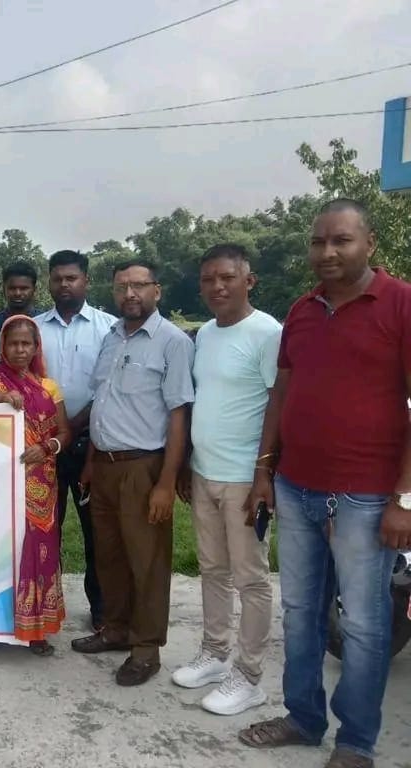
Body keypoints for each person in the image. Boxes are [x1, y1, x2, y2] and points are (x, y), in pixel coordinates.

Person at [239, 199, 411, 768]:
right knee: (300, 611)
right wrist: (265, 470)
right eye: (319, 242)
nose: (328, 252)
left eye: (341, 240)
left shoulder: (402, 304)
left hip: (367, 496)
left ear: (370, 244)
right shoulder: (303, 309)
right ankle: (304, 718)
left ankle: (356, 743)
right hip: (296, 488)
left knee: (362, 624)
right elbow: (282, 394)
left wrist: (404, 500)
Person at [71, 259, 194, 687]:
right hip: (104, 466)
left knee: (147, 562)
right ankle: (116, 629)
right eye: (122, 286)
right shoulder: (111, 337)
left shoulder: (172, 342)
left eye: (139, 285)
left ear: (156, 290)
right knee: (110, 557)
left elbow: (179, 415)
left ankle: (146, 649)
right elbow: (103, 402)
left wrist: (166, 482)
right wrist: (90, 462)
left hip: (144, 467)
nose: (130, 294)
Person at [173, 244, 280, 715]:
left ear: (248, 281)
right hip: (204, 471)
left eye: (227, 278)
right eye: (208, 279)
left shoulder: (268, 333)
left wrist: (264, 473)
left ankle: (249, 675)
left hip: (244, 479)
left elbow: (278, 405)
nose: (217, 287)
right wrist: (186, 462)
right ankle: (214, 654)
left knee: (250, 578)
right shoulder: (205, 335)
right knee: (212, 569)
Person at [0, 317, 71, 655]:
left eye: (26, 344)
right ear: (3, 347)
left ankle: (36, 629)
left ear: (36, 347)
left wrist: (47, 448)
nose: (20, 350)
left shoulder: (48, 387)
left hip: (40, 484)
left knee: (37, 551)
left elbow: (64, 432)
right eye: (13, 343)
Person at [34, 249, 116, 632]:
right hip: (42, 447)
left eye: (71, 278)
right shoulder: (34, 329)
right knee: (43, 529)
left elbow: (109, 389)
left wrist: (71, 426)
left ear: (86, 281)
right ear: (49, 282)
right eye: (57, 278)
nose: (64, 285)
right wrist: (54, 432)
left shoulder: (109, 328)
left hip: (90, 445)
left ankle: (101, 609)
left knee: (96, 530)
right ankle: (42, 607)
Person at [0, 261, 42, 330]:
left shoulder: (45, 323)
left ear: (35, 290)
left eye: (23, 288)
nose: (17, 293)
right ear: (4, 289)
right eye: (12, 288)